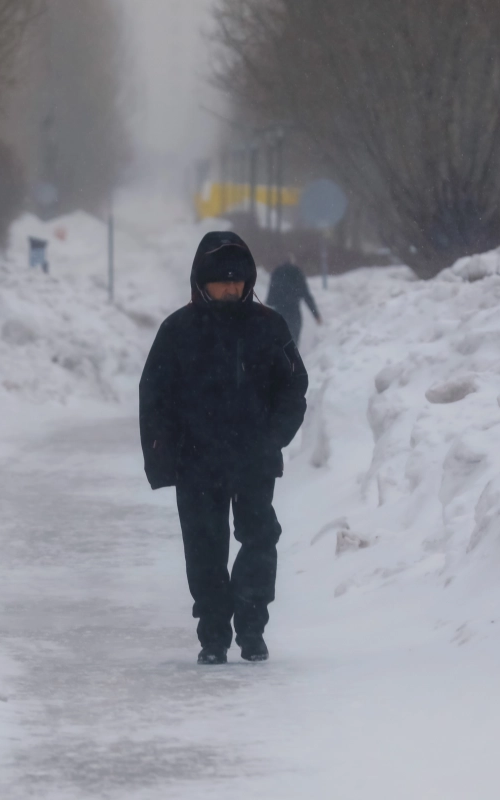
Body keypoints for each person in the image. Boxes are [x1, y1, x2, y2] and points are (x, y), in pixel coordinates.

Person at [139, 231, 309, 665]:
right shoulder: (177, 332)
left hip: (254, 459)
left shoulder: (269, 327)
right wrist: (163, 457)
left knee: (259, 539)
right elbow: (154, 397)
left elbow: (294, 386)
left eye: (238, 280)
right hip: (197, 462)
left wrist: (273, 437)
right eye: (221, 281)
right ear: (202, 282)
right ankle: (213, 635)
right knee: (204, 547)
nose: (231, 288)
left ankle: (252, 628)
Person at [265, 260, 322, 344]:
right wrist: (316, 315)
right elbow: (306, 295)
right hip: (294, 313)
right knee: (293, 341)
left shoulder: (277, 272)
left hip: (279, 312)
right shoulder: (297, 272)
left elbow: (270, 298)